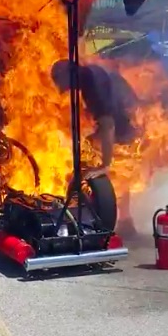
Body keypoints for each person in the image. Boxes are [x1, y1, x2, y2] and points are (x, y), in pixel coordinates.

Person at [51, 59, 139, 234]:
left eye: (62, 84)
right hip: (126, 113)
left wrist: (105, 166)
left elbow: (108, 125)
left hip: (127, 121)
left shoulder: (93, 88)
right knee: (90, 145)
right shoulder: (88, 74)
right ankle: (125, 220)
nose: (65, 90)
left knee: (116, 166)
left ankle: (122, 218)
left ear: (70, 76)